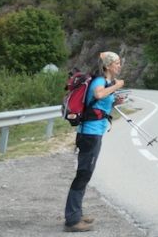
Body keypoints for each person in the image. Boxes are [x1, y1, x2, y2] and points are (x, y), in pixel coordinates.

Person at [63, 51, 125, 232]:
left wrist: (115, 101)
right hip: (89, 134)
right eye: (116, 63)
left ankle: (76, 214)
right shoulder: (100, 81)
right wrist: (116, 86)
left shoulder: (104, 82)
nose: (119, 66)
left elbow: (98, 103)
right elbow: (98, 95)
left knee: (85, 174)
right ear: (107, 66)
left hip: (93, 133)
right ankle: (72, 220)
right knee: (83, 174)